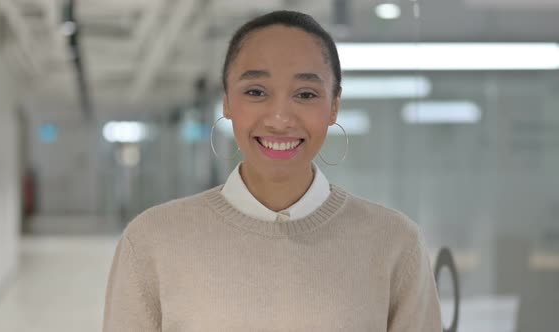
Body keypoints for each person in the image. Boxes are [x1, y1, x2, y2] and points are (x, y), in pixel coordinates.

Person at [103, 10, 442, 331]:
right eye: (256, 92)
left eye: (306, 94)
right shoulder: (153, 240)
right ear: (227, 102)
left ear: (334, 105)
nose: (280, 118)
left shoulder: (395, 243)